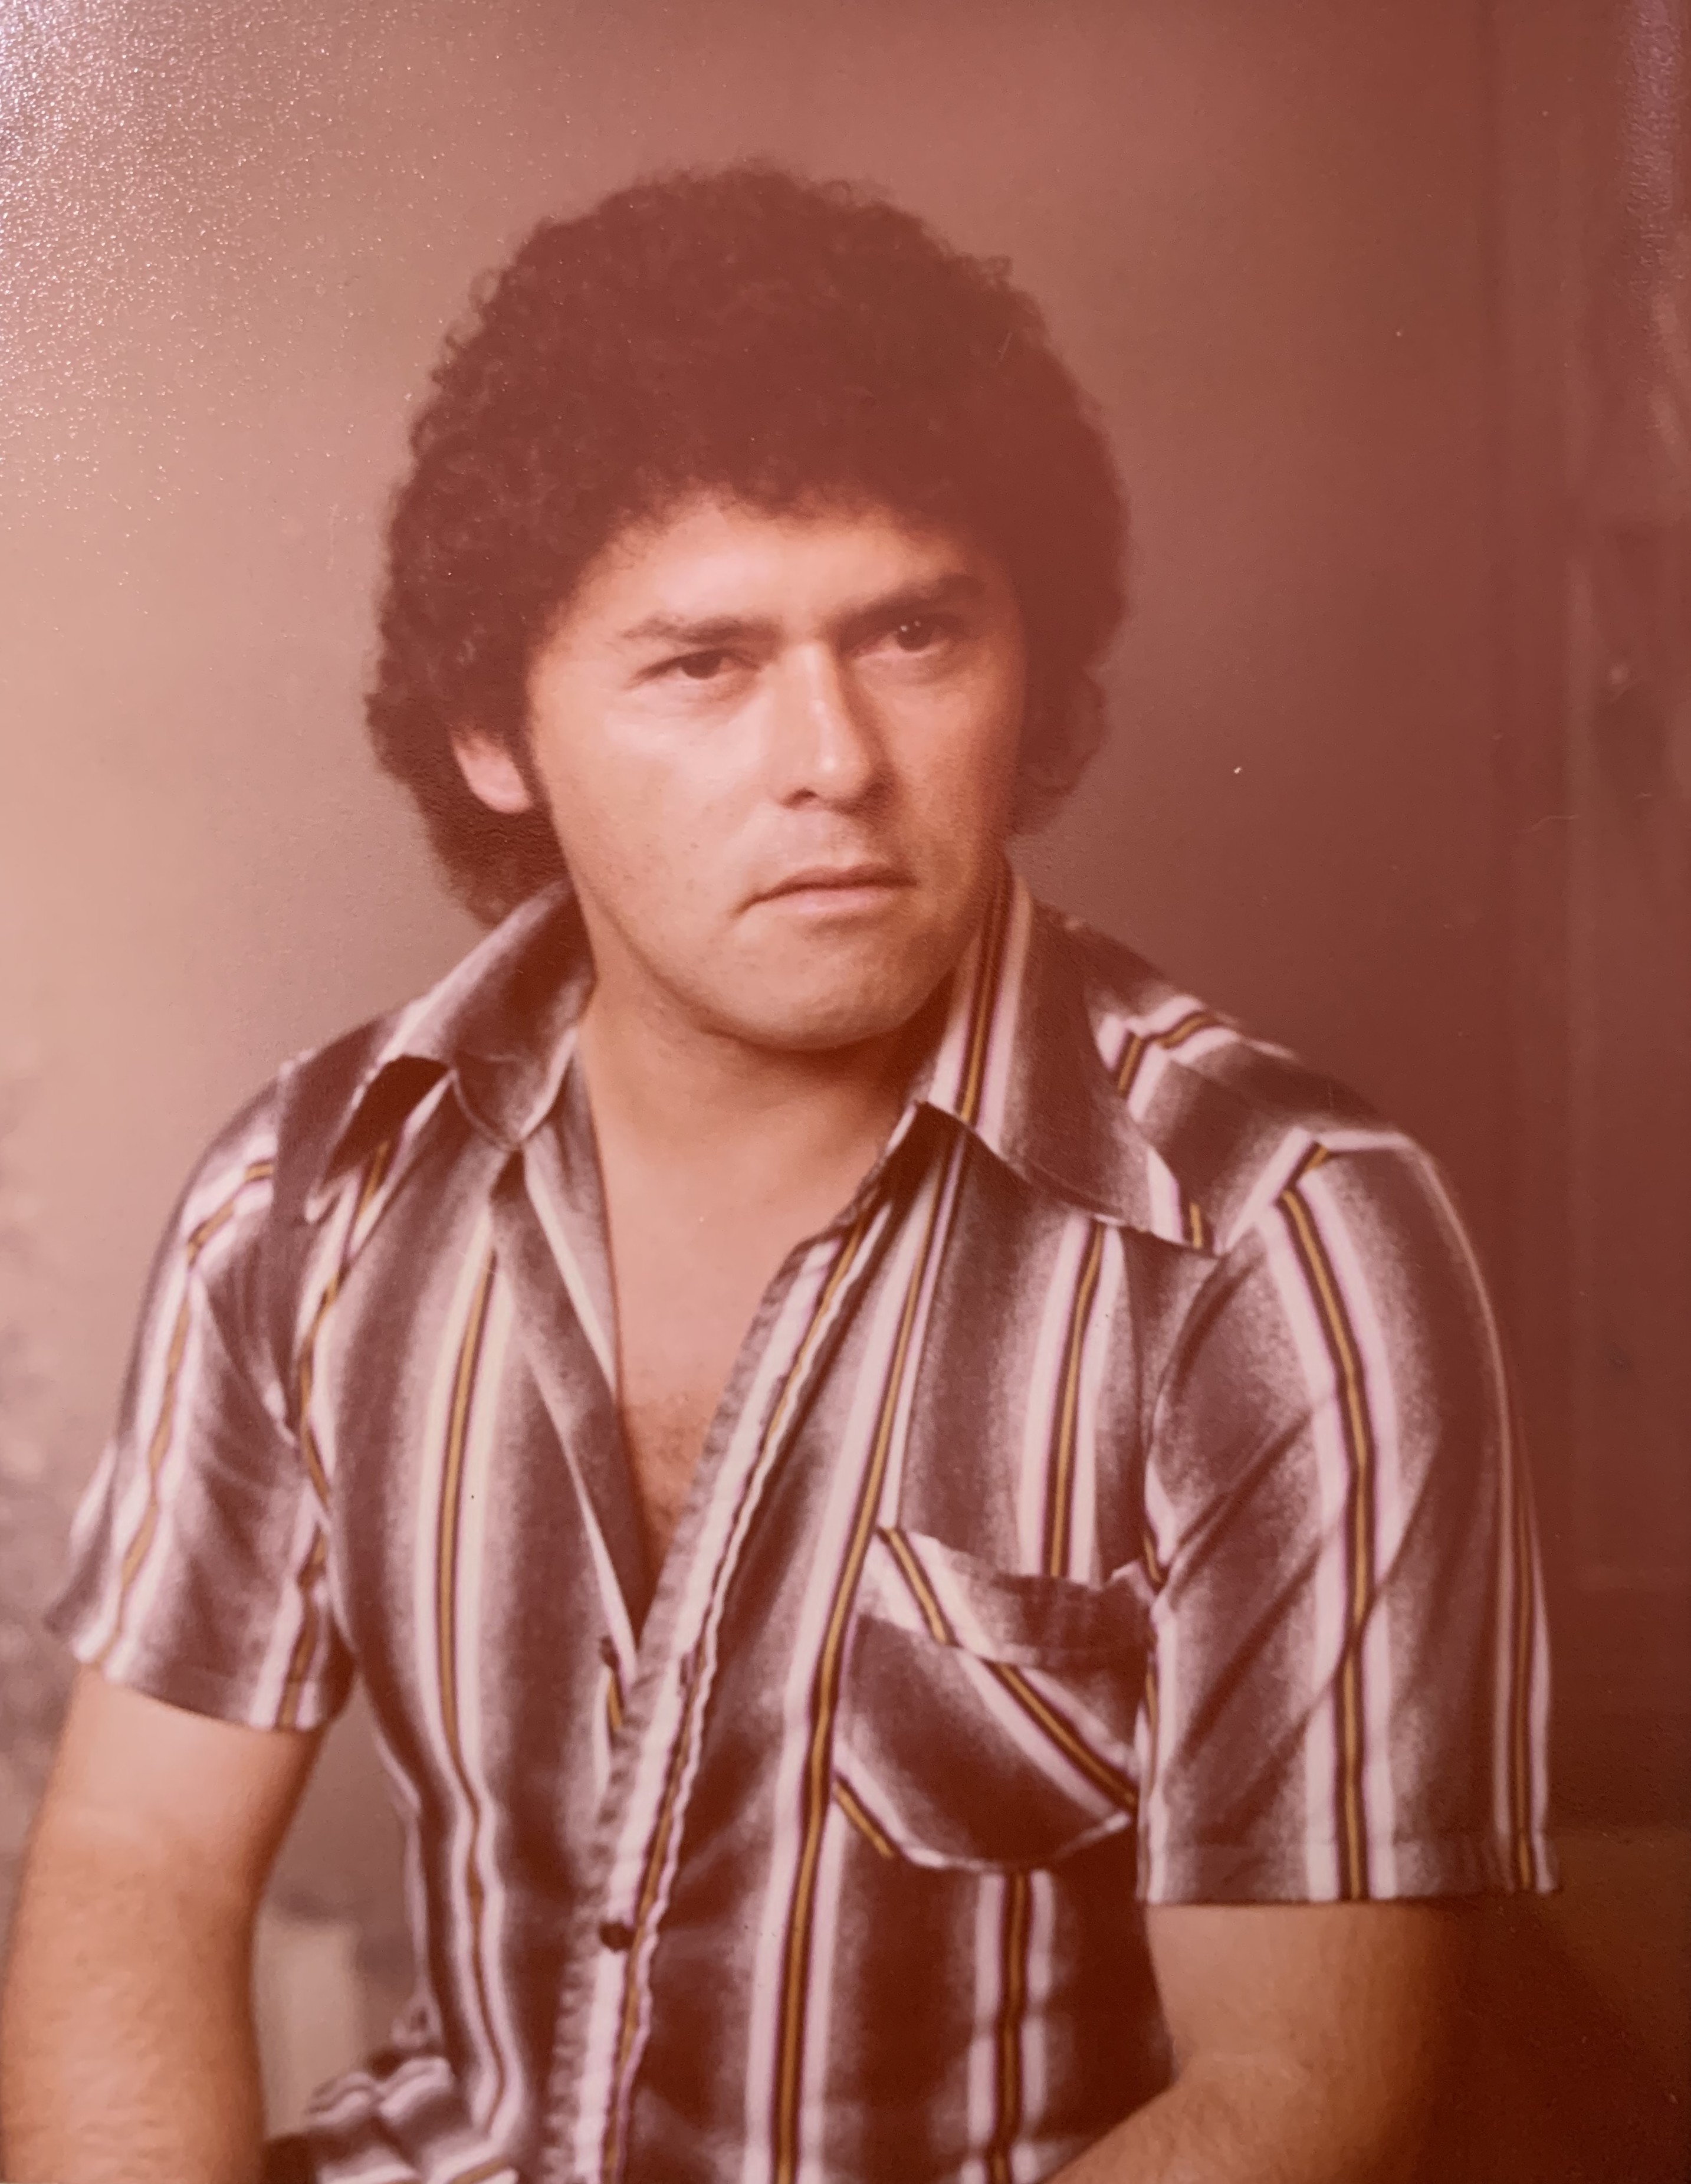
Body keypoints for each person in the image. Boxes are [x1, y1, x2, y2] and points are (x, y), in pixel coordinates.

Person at [0, 165, 1552, 2184]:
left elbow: (1300, 2091)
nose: (833, 756)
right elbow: (140, 1859)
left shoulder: (1281, 1242)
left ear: (1029, 655)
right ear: (493, 734)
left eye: (911, 631)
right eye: (702, 663)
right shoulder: (304, 1200)